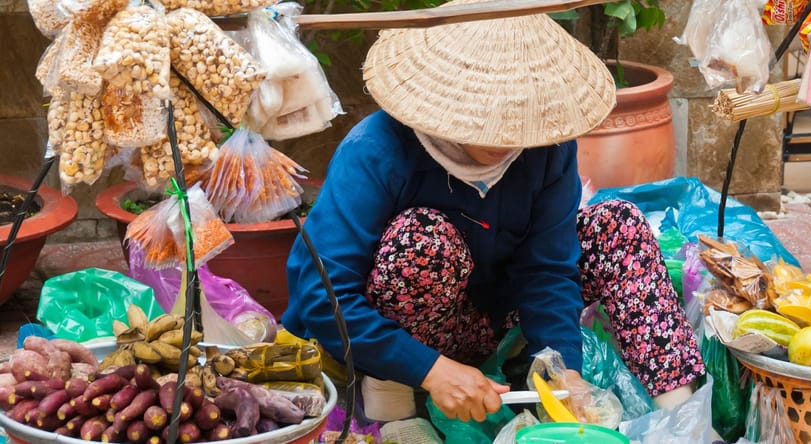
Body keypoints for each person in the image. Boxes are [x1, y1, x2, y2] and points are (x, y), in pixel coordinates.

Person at [282, 0, 705, 425]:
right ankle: (392, 389)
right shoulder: (376, 151)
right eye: (485, 118)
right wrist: (429, 369)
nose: (502, 136)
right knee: (421, 237)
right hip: (406, 329)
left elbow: (548, 270)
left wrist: (564, 369)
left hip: (496, 316)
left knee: (618, 222)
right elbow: (322, 297)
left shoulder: (547, 148)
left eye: (516, 119)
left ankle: (680, 413)